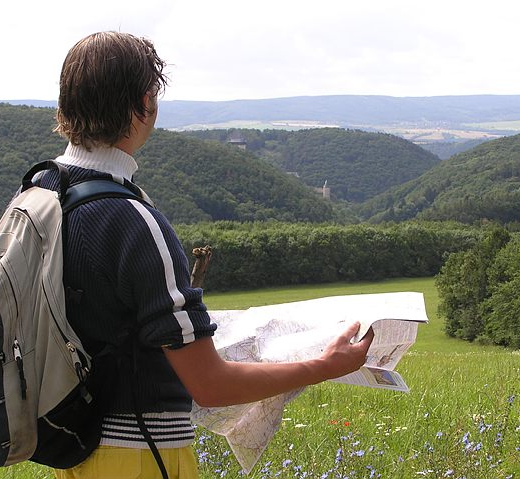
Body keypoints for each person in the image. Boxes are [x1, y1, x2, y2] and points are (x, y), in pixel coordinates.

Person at [47, 31, 373, 479]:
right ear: (145, 105)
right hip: (140, 453)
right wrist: (323, 366)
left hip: (72, 446)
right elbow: (211, 385)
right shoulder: (134, 221)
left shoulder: (42, 194)